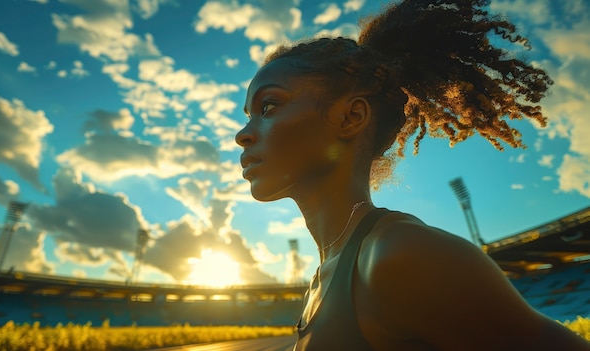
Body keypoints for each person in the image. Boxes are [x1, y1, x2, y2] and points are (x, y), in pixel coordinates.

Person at [235, 0, 590, 350]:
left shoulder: (399, 256)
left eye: (268, 106)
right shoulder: (324, 277)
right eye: (249, 115)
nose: (243, 134)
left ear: (351, 117)